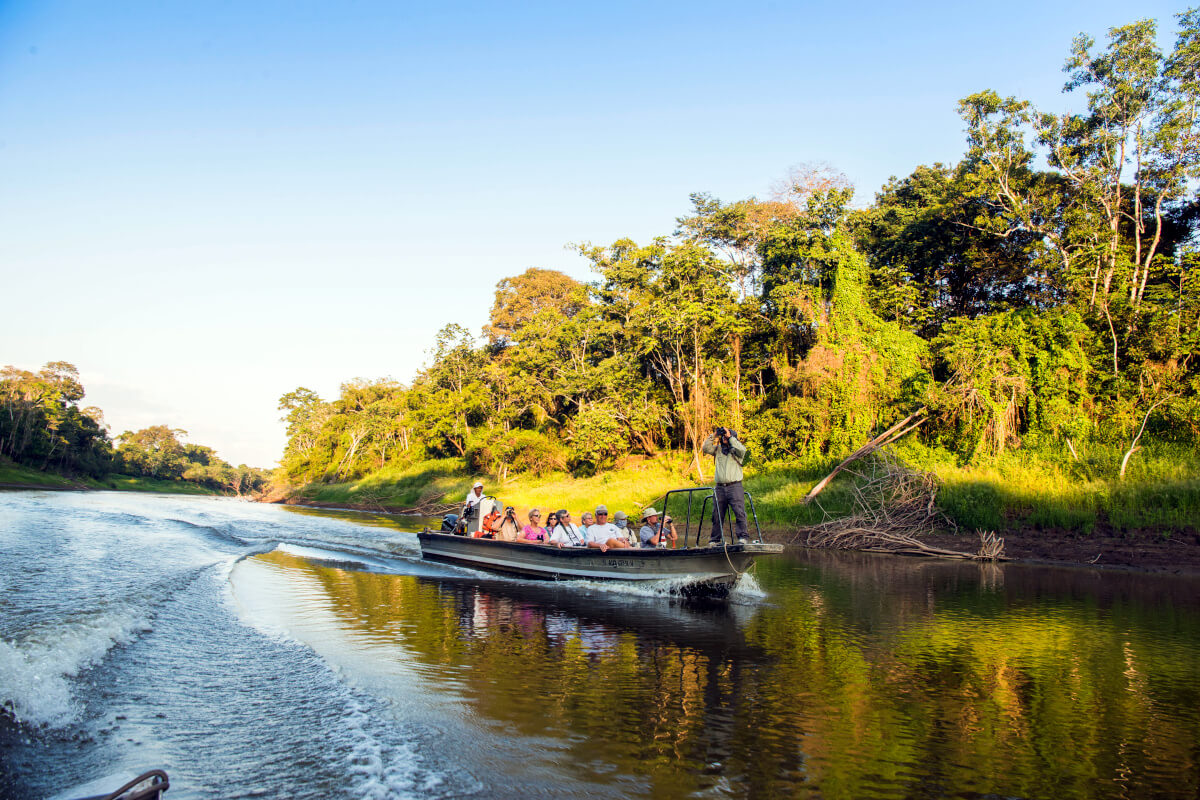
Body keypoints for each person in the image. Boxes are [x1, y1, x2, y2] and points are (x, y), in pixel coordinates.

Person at [702, 426, 749, 543]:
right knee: (717, 514)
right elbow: (705, 448)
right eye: (724, 437)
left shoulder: (738, 451)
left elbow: (743, 450)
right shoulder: (718, 450)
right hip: (720, 488)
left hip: (735, 486)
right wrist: (714, 435)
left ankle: (743, 537)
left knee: (739, 512)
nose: (724, 438)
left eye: (726, 437)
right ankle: (715, 539)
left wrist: (730, 437)